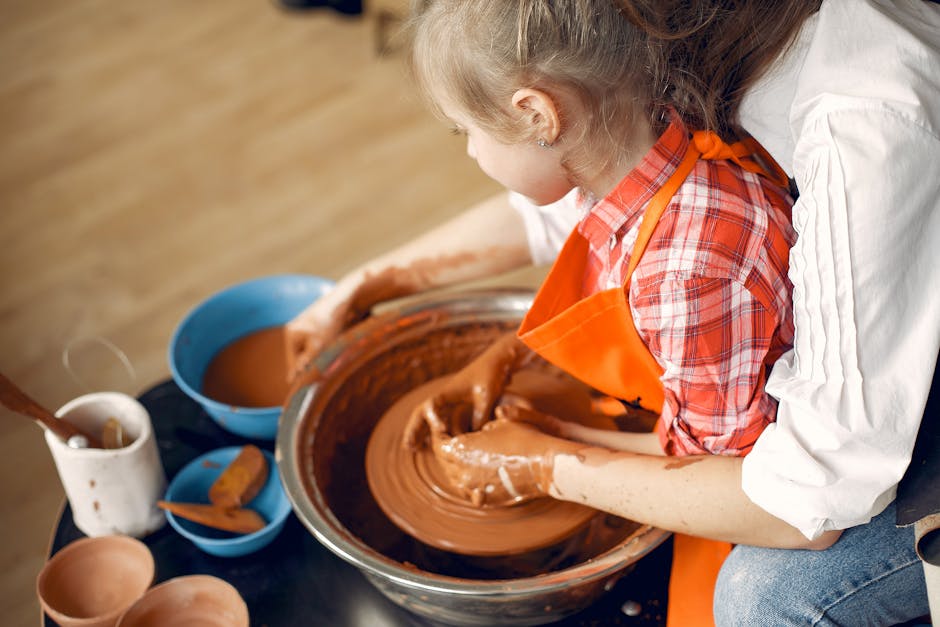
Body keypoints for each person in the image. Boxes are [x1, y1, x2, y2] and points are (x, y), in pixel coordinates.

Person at [286, 0, 940, 623]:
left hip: (895, 422)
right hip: (761, 370)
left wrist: (542, 462)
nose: (469, 150)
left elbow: (799, 496)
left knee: (757, 600)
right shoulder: (636, 106)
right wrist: (382, 291)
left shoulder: (865, 123)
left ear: (539, 113)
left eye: (467, 132)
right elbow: (566, 206)